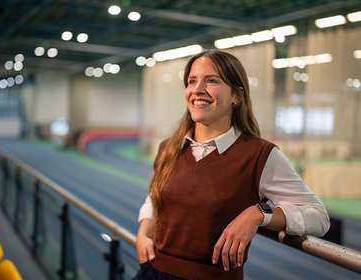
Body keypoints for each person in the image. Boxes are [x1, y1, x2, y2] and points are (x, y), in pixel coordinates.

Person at [134, 49, 330, 280]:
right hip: (152, 272)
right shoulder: (168, 147)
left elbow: (319, 217)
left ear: (236, 96)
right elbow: (155, 198)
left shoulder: (260, 155)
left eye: (212, 81)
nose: (197, 89)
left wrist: (258, 214)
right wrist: (143, 231)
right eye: (191, 81)